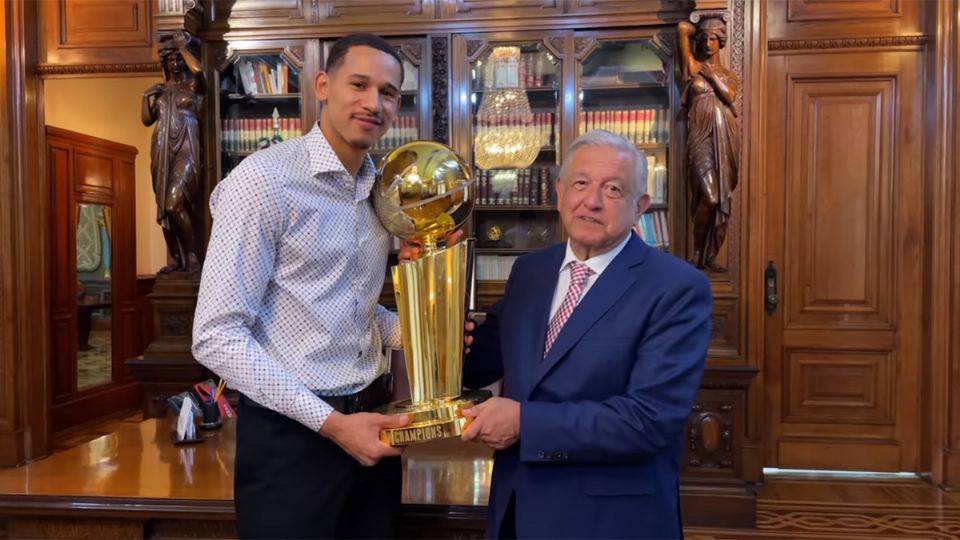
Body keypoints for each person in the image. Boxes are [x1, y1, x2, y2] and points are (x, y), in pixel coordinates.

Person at [192, 33, 411, 539]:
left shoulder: (381, 190)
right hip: (293, 441)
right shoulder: (262, 181)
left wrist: (423, 332)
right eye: (358, 84)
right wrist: (332, 425)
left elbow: (349, 307)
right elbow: (216, 335)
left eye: (388, 92)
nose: (373, 103)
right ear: (321, 86)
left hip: (373, 423)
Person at [461, 130, 712, 539]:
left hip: (610, 520)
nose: (591, 201)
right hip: (517, 509)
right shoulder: (531, 272)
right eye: (580, 183)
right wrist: (443, 327)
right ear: (559, 191)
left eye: (613, 189)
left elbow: (648, 420)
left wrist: (526, 422)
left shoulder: (676, 287)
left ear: (639, 208)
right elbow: (480, 363)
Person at [677, 17, 741, 272]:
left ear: (721, 42)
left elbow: (729, 95)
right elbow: (683, 28)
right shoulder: (692, 66)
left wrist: (712, 76)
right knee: (710, 195)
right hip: (699, 136)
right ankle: (696, 251)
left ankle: (709, 255)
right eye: (703, 38)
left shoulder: (728, 75)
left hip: (723, 134)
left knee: (719, 196)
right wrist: (699, 28)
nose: (707, 42)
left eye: (713, 38)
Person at [141, 29, 205, 273]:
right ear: (165, 63)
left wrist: (183, 47)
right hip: (162, 149)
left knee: (173, 204)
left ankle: (192, 256)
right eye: (170, 59)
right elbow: (147, 120)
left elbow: (199, 71)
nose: (175, 63)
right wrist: (145, 96)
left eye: (178, 58)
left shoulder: (193, 85)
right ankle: (177, 259)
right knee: (163, 205)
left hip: (186, 149)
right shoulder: (162, 90)